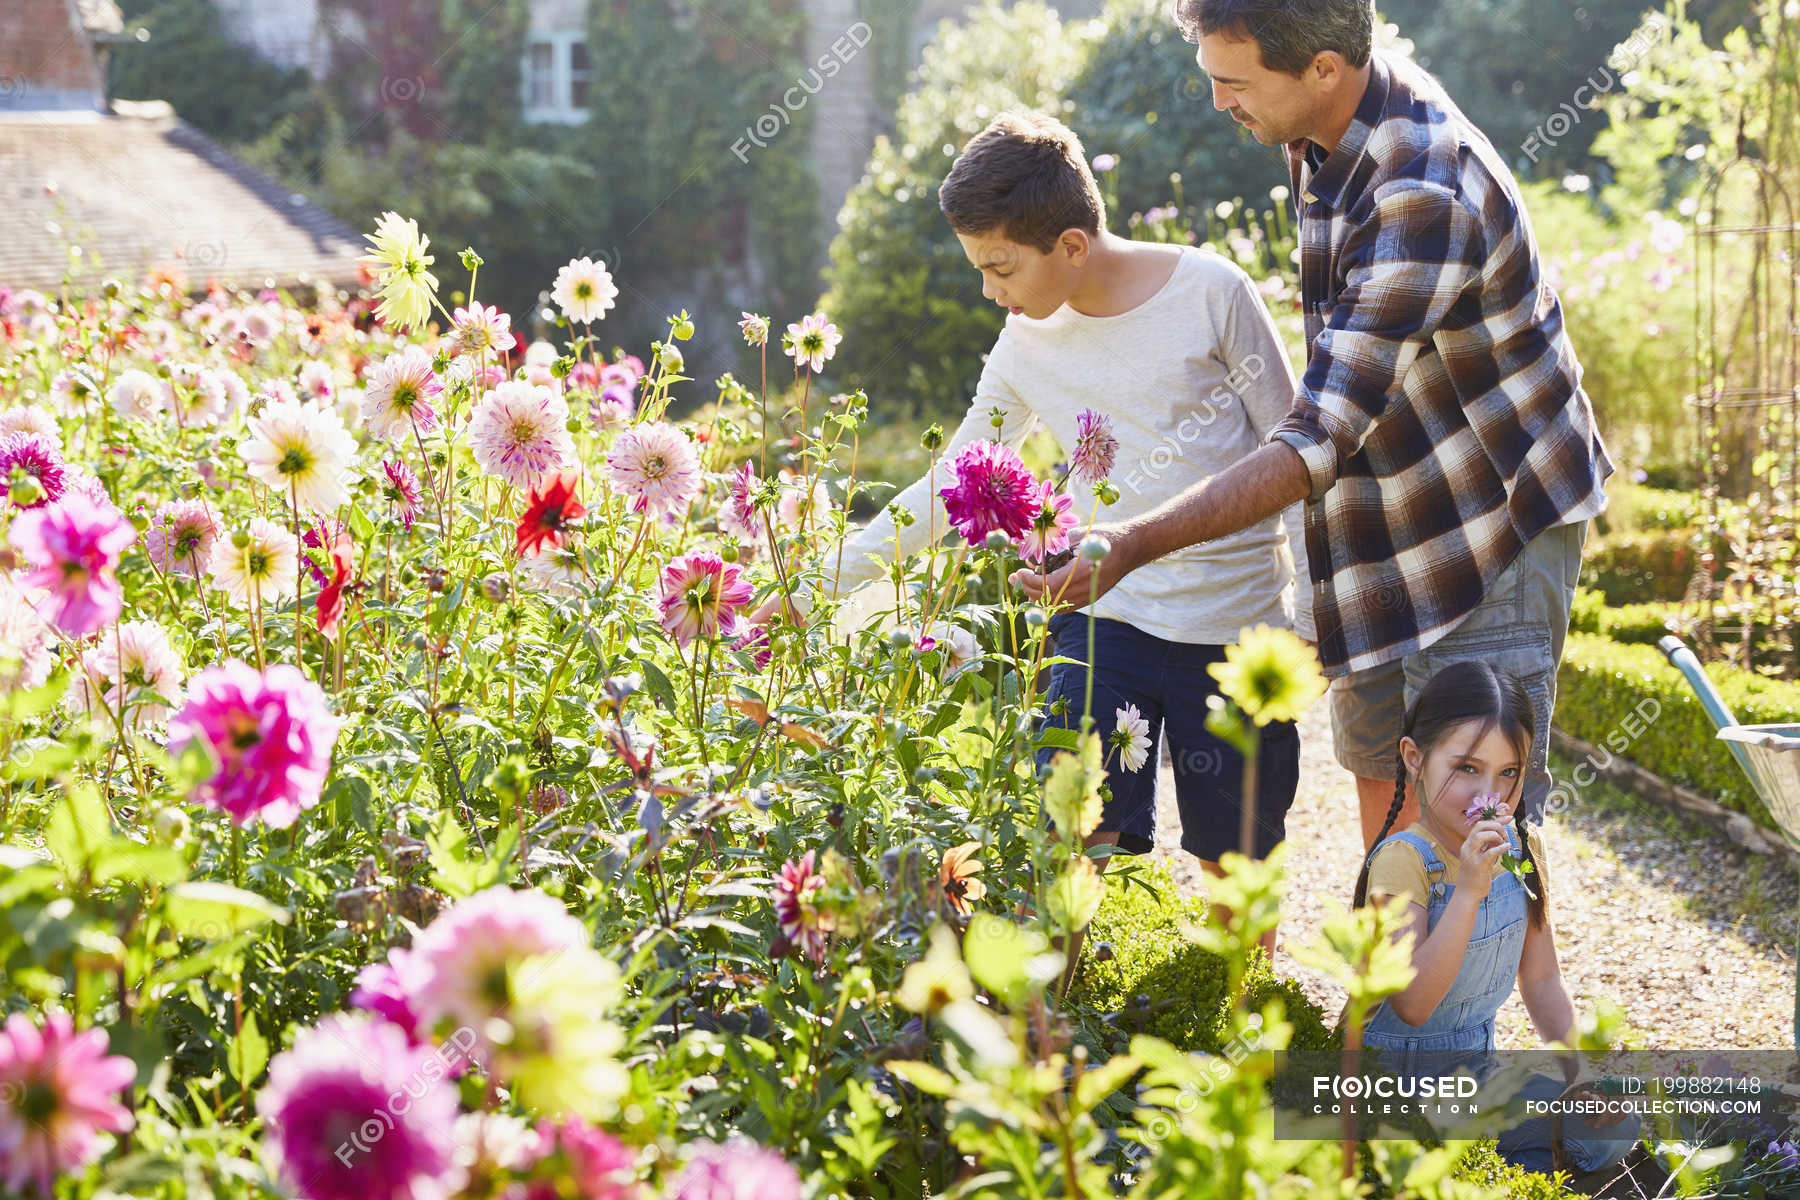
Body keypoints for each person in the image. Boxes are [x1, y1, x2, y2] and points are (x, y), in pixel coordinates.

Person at [1016, 0, 1616, 851]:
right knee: (1386, 767)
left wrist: (1132, 544)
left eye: (1234, 82)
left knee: (1476, 808)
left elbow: (1318, 435)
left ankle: (1482, 986)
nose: (1220, 102)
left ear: (1324, 70)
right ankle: (1391, 976)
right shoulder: (1319, 127)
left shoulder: (1421, 188)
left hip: (1492, 523)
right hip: (1391, 511)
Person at [768, 110, 1315, 941]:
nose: (990, 290)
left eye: (999, 267)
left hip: (1234, 630)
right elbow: (948, 484)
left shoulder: (1213, 294)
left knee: (1234, 860)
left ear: (1069, 245)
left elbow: (1302, 460)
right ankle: (1053, 1020)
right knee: (1067, 837)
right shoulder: (1024, 342)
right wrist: (809, 587)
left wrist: (1309, 619)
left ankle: (1242, 1033)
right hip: (1103, 620)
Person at [1353, 659, 1632, 1175]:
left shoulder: (1522, 849)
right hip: (1390, 1084)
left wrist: (1582, 1077)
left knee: (1613, 1129)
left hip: (1474, 1077)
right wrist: (1466, 893)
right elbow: (1412, 1004)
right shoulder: (1402, 860)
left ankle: (1480, 1161)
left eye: (1508, 773)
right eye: (1466, 768)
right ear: (1415, 758)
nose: (1489, 794)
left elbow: (1543, 979)